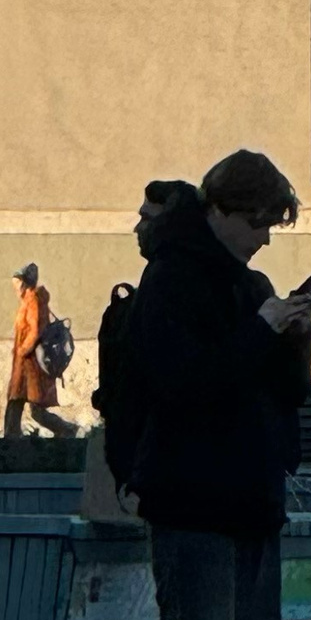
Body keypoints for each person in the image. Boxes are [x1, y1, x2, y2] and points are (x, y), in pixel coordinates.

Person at [128, 147, 311, 620]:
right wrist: (260, 328)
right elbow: (186, 382)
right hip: (193, 498)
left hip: (251, 497)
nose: (263, 237)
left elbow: (280, 392)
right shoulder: (172, 279)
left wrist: (294, 336)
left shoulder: (251, 285)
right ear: (220, 210)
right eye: (257, 222)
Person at [89, 179, 190, 517]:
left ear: (170, 222)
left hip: (170, 476)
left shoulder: (169, 282)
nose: (137, 227)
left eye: (147, 218)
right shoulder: (159, 278)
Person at [6, 261, 79, 443]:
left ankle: (66, 429)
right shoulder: (28, 300)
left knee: (33, 406)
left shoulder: (33, 300)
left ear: (24, 283)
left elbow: (35, 329)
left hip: (30, 364)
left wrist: (23, 350)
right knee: (17, 401)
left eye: (17, 283)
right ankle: (11, 436)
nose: (15, 288)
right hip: (24, 363)